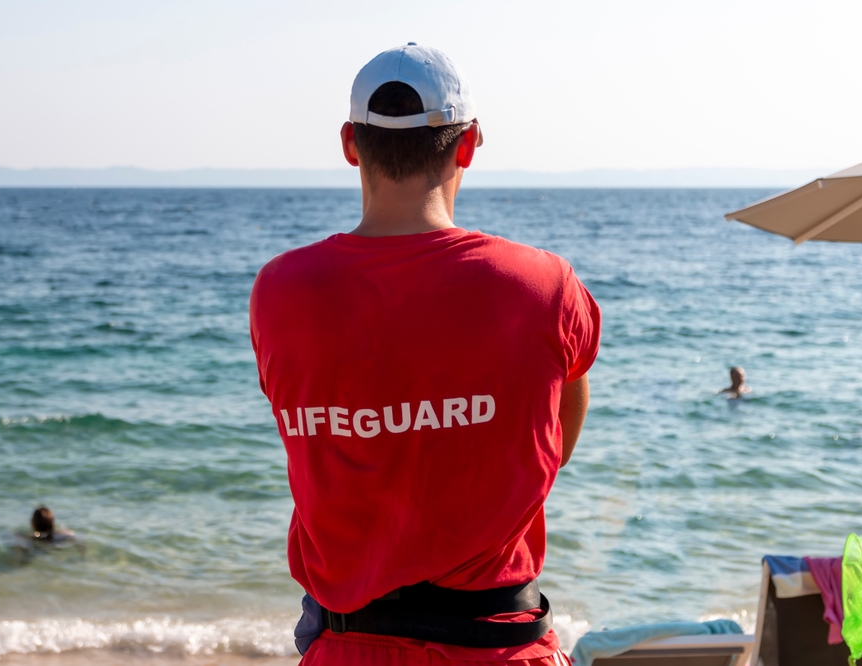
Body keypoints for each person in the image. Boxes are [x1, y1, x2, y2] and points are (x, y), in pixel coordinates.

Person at [250, 44, 600, 666]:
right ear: (468, 146)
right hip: (497, 645)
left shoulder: (280, 290)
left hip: (345, 646)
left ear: (350, 145)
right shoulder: (542, 286)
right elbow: (555, 444)